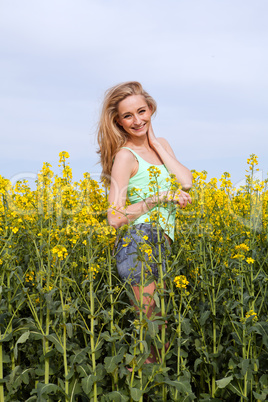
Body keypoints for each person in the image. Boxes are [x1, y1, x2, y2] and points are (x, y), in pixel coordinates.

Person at [97, 81, 192, 363]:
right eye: (128, 116)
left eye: (142, 111)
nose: (137, 120)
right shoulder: (125, 156)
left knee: (159, 336)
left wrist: (155, 144)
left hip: (162, 241)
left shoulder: (161, 145)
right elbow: (114, 217)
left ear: (151, 109)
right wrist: (157, 198)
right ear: (118, 121)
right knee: (149, 334)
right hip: (138, 243)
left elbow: (186, 182)